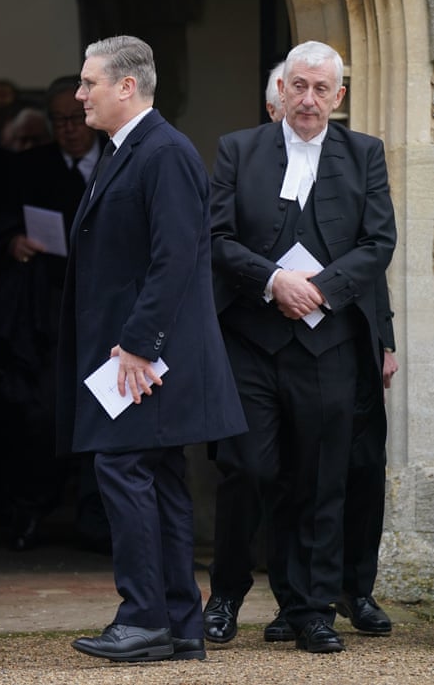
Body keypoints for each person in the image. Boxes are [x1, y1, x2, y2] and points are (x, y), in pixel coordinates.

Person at [56, 34, 247, 663]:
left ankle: (143, 619)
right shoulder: (129, 148)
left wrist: (138, 346)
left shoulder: (163, 152)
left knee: (122, 468)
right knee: (157, 478)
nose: (80, 94)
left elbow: (174, 259)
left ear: (127, 86)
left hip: (144, 360)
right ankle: (180, 623)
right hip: (137, 356)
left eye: (89, 83)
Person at [207, 40, 396, 653]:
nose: (308, 99)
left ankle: (311, 608)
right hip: (252, 341)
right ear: (281, 90)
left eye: (321, 89)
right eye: (299, 86)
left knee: (321, 479)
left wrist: (319, 290)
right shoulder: (239, 148)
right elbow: (216, 237)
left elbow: (378, 242)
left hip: (329, 342)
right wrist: (272, 281)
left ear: (338, 98)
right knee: (246, 468)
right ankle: (226, 595)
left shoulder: (365, 153)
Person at [0, 76, 107, 552]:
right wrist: (12, 242)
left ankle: (98, 522)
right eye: (59, 120)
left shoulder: (120, 162)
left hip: (108, 311)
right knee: (42, 414)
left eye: (76, 118)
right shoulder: (28, 168)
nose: (69, 129)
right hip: (45, 312)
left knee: (110, 411)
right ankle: (29, 512)